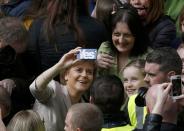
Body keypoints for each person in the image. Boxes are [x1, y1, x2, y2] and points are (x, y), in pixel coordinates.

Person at [26, 0, 107, 79]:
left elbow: (31, 59)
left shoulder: (37, 25)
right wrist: (92, 56)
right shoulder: (97, 27)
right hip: (84, 86)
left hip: (47, 84)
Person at [30, 47, 96, 131]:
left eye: (89, 72)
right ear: (66, 75)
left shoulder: (84, 106)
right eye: (79, 70)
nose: (84, 75)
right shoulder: (54, 89)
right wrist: (59, 66)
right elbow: (34, 88)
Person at [97, 3, 149, 78]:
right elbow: (77, 56)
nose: (121, 40)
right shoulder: (105, 47)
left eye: (127, 35)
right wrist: (94, 63)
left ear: (136, 34)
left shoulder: (147, 57)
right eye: (117, 34)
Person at [0, 17, 34, 124]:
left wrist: (14, 82)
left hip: (16, 116)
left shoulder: (24, 55)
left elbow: (32, 83)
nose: (14, 58)